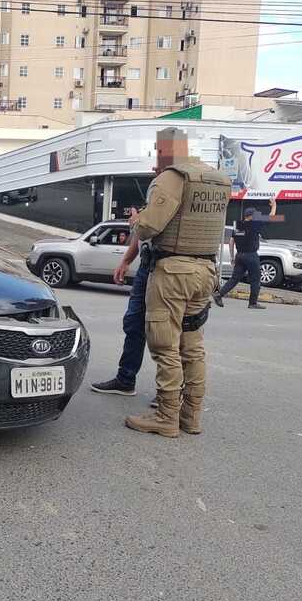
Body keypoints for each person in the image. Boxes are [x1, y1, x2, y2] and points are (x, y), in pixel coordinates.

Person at [123, 137, 230, 438]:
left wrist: (136, 220)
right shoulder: (218, 179)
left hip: (173, 271)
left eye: (158, 150)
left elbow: (148, 228)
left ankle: (167, 418)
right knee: (193, 348)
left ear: (166, 151)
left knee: (165, 345)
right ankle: (191, 417)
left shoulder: (172, 178)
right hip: (206, 269)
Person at [90, 228, 150, 396]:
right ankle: (125, 380)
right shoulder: (150, 202)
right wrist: (125, 261)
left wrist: (139, 221)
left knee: (166, 330)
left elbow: (151, 225)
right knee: (133, 324)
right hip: (147, 264)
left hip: (171, 265)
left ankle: (169, 395)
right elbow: (142, 232)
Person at [215, 199, 278, 310]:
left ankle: (219, 294)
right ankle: (252, 303)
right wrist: (274, 205)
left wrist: (232, 257)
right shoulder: (255, 223)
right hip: (251, 256)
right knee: (255, 280)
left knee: (234, 278)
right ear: (251, 216)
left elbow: (231, 241)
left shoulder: (238, 225)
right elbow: (272, 216)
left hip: (240, 255)